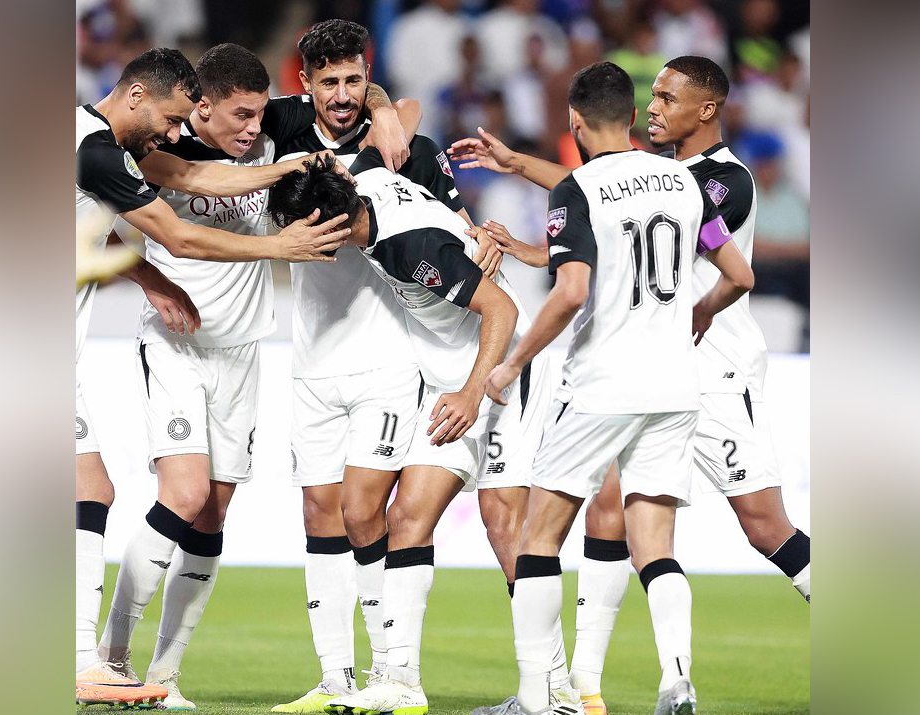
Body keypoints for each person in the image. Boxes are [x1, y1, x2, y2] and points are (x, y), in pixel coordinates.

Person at [451, 56, 809, 715]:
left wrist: (509, 362)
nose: (655, 105)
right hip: (672, 375)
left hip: (704, 373)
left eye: (669, 96)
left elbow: (602, 200)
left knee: (764, 527)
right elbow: (619, 199)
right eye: (651, 96)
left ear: (707, 109)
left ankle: (545, 698)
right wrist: (522, 175)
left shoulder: (722, 180)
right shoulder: (675, 184)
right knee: (621, 519)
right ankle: (600, 686)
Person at [93, 42, 415, 710]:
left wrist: (382, 108)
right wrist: (154, 277)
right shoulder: (157, 150)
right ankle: (111, 655)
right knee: (181, 495)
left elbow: (362, 102)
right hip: (179, 349)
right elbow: (168, 204)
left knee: (213, 510)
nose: (251, 128)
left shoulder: (269, 130)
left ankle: (166, 676)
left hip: (242, 352)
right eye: (239, 115)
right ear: (200, 106)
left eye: (259, 115)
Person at [265, 21, 527, 714]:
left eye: (356, 80)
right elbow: (225, 126)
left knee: (379, 513)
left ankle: (403, 672)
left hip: (395, 360)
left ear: (367, 71)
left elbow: (449, 224)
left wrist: (475, 237)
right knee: (322, 512)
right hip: (312, 358)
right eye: (330, 82)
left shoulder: (399, 155)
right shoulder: (284, 127)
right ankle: (338, 679)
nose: (344, 95)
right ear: (306, 84)